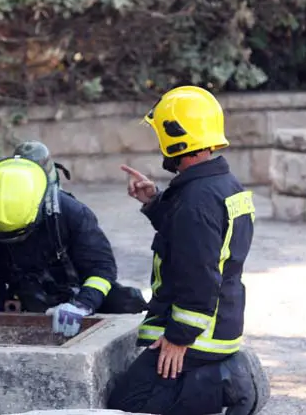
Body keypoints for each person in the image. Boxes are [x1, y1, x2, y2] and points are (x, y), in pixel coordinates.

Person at [106, 86, 269, 414]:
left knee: (129, 403)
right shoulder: (221, 185)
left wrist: (179, 338)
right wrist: (154, 202)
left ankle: (226, 381)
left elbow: (199, 274)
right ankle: (222, 375)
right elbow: (193, 240)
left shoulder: (195, 201)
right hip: (220, 323)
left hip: (199, 335)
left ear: (175, 137)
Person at [0, 149, 148, 338]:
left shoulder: (72, 214)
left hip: (74, 296)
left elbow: (102, 270)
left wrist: (82, 305)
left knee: (123, 302)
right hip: (20, 298)